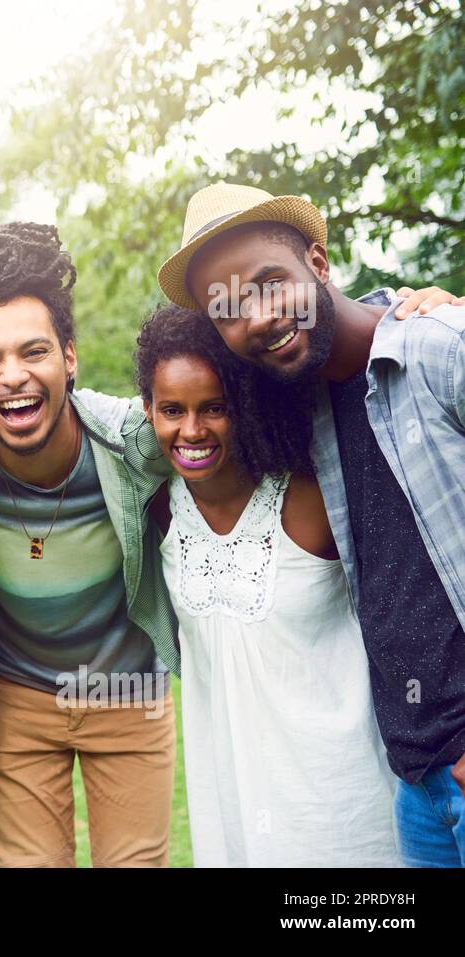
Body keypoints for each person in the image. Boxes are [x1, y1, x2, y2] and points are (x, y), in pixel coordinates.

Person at [162, 182, 465, 867]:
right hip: (420, 792)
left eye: (272, 282)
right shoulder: (305, 413)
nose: (260, 316)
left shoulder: (439, 351)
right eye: (230, 307)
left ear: (320, 264)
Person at [0, 223, 178, 867]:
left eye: (34, 352)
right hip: (18, 701)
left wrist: (393, 314)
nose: (12, 376)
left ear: (68, 357)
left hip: (128, 696)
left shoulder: (136, 439)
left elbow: (247, 406)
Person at [136, 303, 398, 867]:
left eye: (214, 408)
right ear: (147, 411)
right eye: (171, 410)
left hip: (343, 801)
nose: (192, 430)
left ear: (243, 404)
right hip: (232, 807)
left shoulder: (310, 496)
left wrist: (416, 306)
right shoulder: (160, 512)